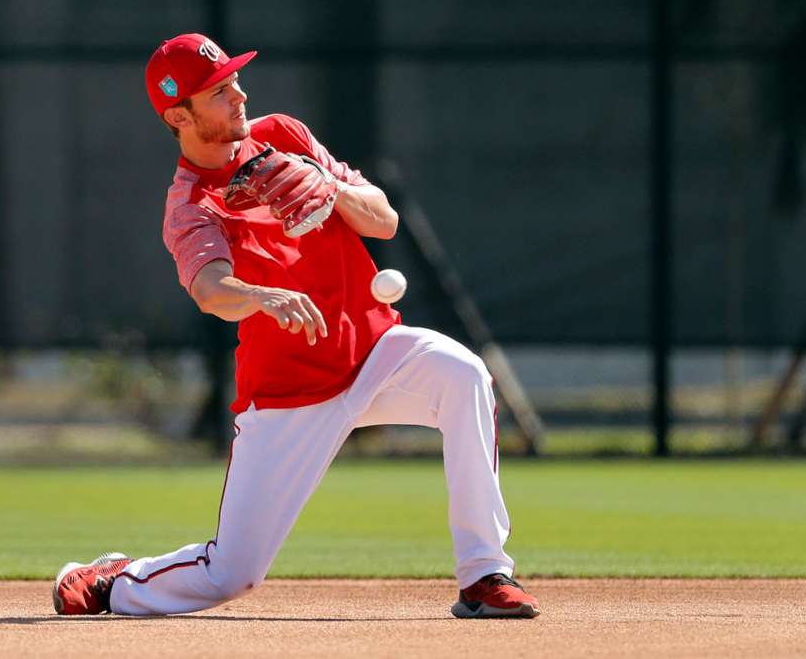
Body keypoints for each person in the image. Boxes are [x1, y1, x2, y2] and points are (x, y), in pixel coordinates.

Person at [52, 33, 540, 620]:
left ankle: (484, 574)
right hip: (290, 392)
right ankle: (113, 581)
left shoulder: (284, 135)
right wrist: (262, 295)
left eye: (235, 80)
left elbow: (383, 220)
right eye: (218, 91)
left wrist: (331, 188)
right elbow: (211, 290)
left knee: (464, 375)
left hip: (374, 351)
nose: (239, 95)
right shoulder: (192, 204)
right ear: (179, 115)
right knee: (230, 574)